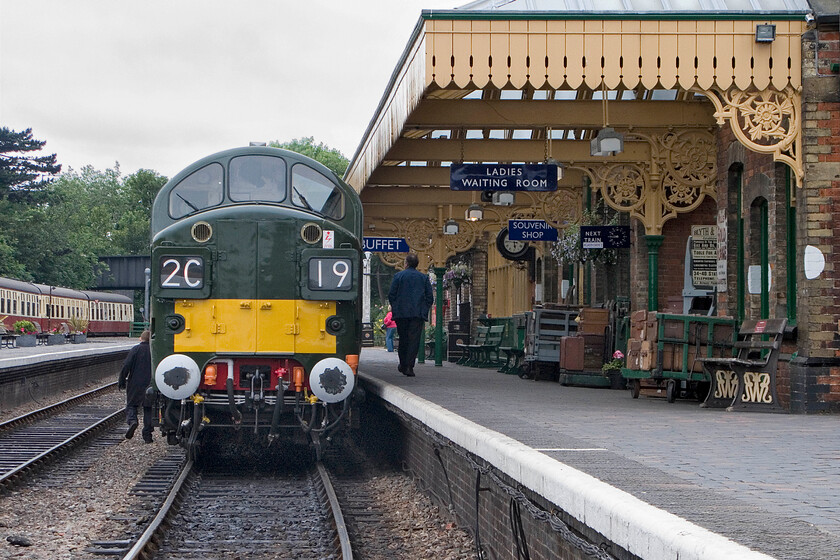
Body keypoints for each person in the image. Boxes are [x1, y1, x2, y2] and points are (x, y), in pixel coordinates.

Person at [388, 253, 434, 377]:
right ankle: (409, 366)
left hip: (401, 314)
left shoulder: (398, 276)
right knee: (414, 340)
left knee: (403, 339)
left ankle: (403, 364)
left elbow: (391, 294)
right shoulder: (423, 278)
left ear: (406, 263)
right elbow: (430, 297)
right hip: (417, 314)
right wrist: (423, 310)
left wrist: (396, 308)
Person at [118, 330, 154, 443]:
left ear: (141, 338)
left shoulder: (136, 349)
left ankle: (132, 421)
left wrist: (122, 380)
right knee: (148, 408)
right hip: (151, 384)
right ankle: (147, 435)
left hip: (135, 383)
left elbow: (126, 365)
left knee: (131, 405)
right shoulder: (154, 350)